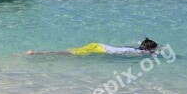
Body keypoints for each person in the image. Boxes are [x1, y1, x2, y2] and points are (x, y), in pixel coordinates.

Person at [25, 37, 159, 56]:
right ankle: (37, 54)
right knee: (72, 53)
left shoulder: (137, 48)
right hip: (100, 49)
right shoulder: (142, 53)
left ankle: (38, 53)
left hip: (98, 44)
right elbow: (154, 55)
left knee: (72, 51)